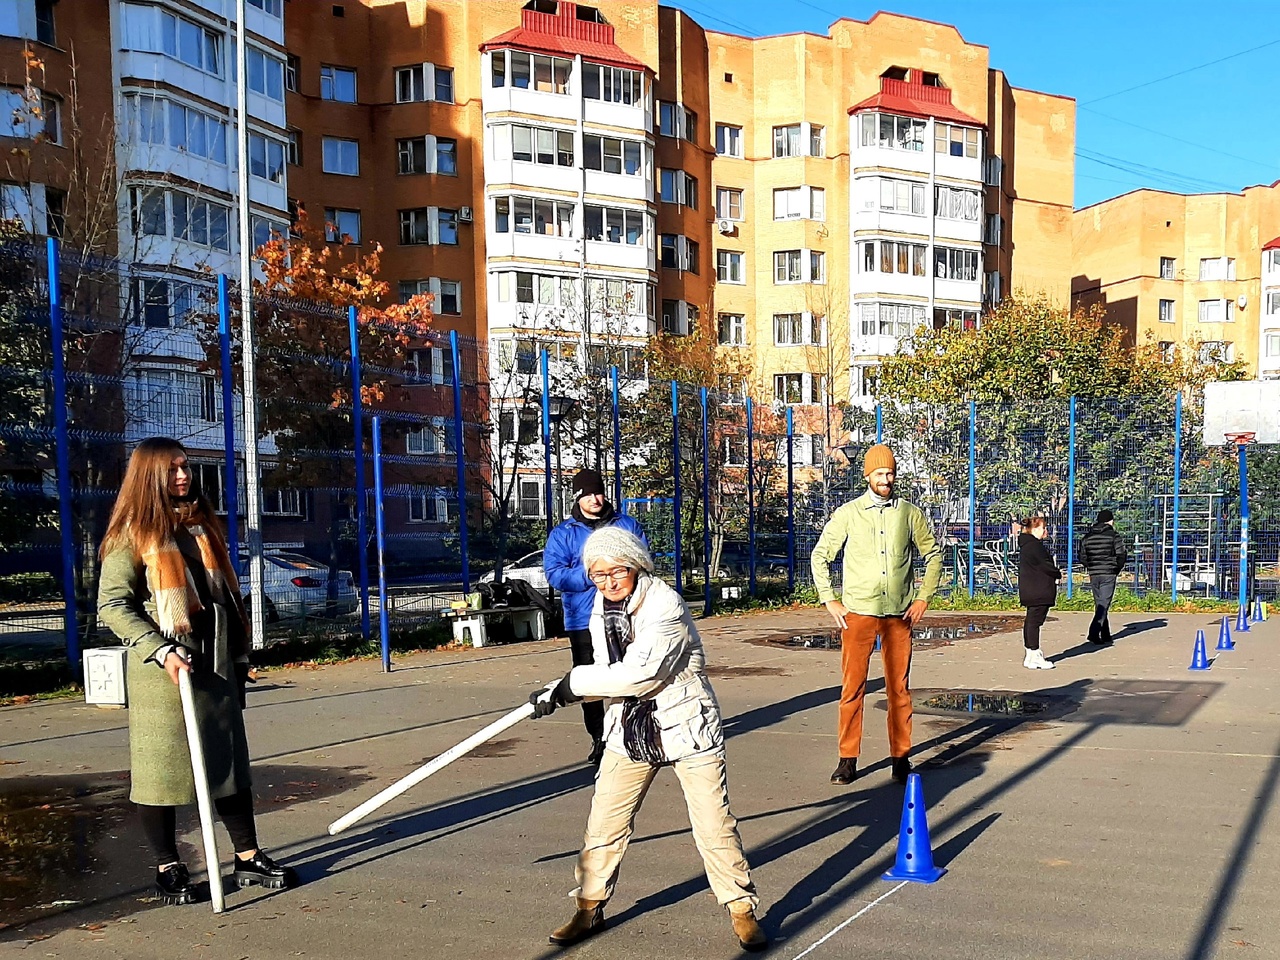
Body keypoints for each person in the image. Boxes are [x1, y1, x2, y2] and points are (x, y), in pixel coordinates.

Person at [529, 526, 766, 952]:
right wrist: (558, 690)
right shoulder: (603, 605)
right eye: (597, 576)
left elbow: (642, 673)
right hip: (629, 728)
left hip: (686, 726)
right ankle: (588, 906)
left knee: (714, 825)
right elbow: (607, 671)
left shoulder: (666, 605)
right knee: (604, 823)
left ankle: (741, 909)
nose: (607, 582)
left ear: (635, 565)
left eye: (615, 571)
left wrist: (572, 685)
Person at [97, 438, 297, 905]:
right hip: (167, 671)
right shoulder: (131, 533)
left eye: (185, 467)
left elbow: (226, 595)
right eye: (172, 470)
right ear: (150, 478)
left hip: (216, 664)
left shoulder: (201, 525)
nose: (183, 476)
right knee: (160, 772)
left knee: (229, 764)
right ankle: (169, 867)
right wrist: (160, 650)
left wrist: (240, 657)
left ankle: (247, 857)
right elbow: (112, 605)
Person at [810, 444, 942, 787]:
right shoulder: (849, 513)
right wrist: (830, 600)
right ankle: (847, 759)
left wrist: (923, 597)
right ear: (867, 475)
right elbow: (821, 556)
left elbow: (933, 555)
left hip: (899, 615)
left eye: (890, 473)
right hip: (858, 614)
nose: (886, 479)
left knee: (899, 688)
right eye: (880, 473)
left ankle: (900, 758)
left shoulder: (908, 513)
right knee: (852, 687)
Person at [543, 468, 647, 766]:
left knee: (634, 673)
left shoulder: (627, 526)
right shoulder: (563, 534)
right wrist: (595, 575)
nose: (595, 499)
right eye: (587, 494)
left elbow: (642, 562)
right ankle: (599, 738)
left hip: (627, 613)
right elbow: (555, 575)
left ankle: (635, 730)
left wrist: (621, 576)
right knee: (590, 681)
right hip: (582, 619)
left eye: (598, 492)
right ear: (578, 497)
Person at [1017, 513, 1061, 669]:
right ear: (1034, 529)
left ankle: (1030, 653)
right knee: (1035, 622)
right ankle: (1034, 653)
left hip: (1030, 589)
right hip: (1039, 589)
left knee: (1031, 621)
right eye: (1043, 528)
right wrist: (1057, 573)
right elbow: (1045, 565)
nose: (1045, 531)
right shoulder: (1035, 546)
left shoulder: (1026, 545)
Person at [1081, 509, 1127, 645]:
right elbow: (1121, 554)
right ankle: (1093, 633)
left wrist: (1091, 566)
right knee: (1104, 604)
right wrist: (1116, 568)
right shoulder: (1114, 536)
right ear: (1110, 521)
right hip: (1108, 573)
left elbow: (1082, 556)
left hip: (1094, 573)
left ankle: (1105, 634)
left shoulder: (1087, 537)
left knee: (1100, 604)